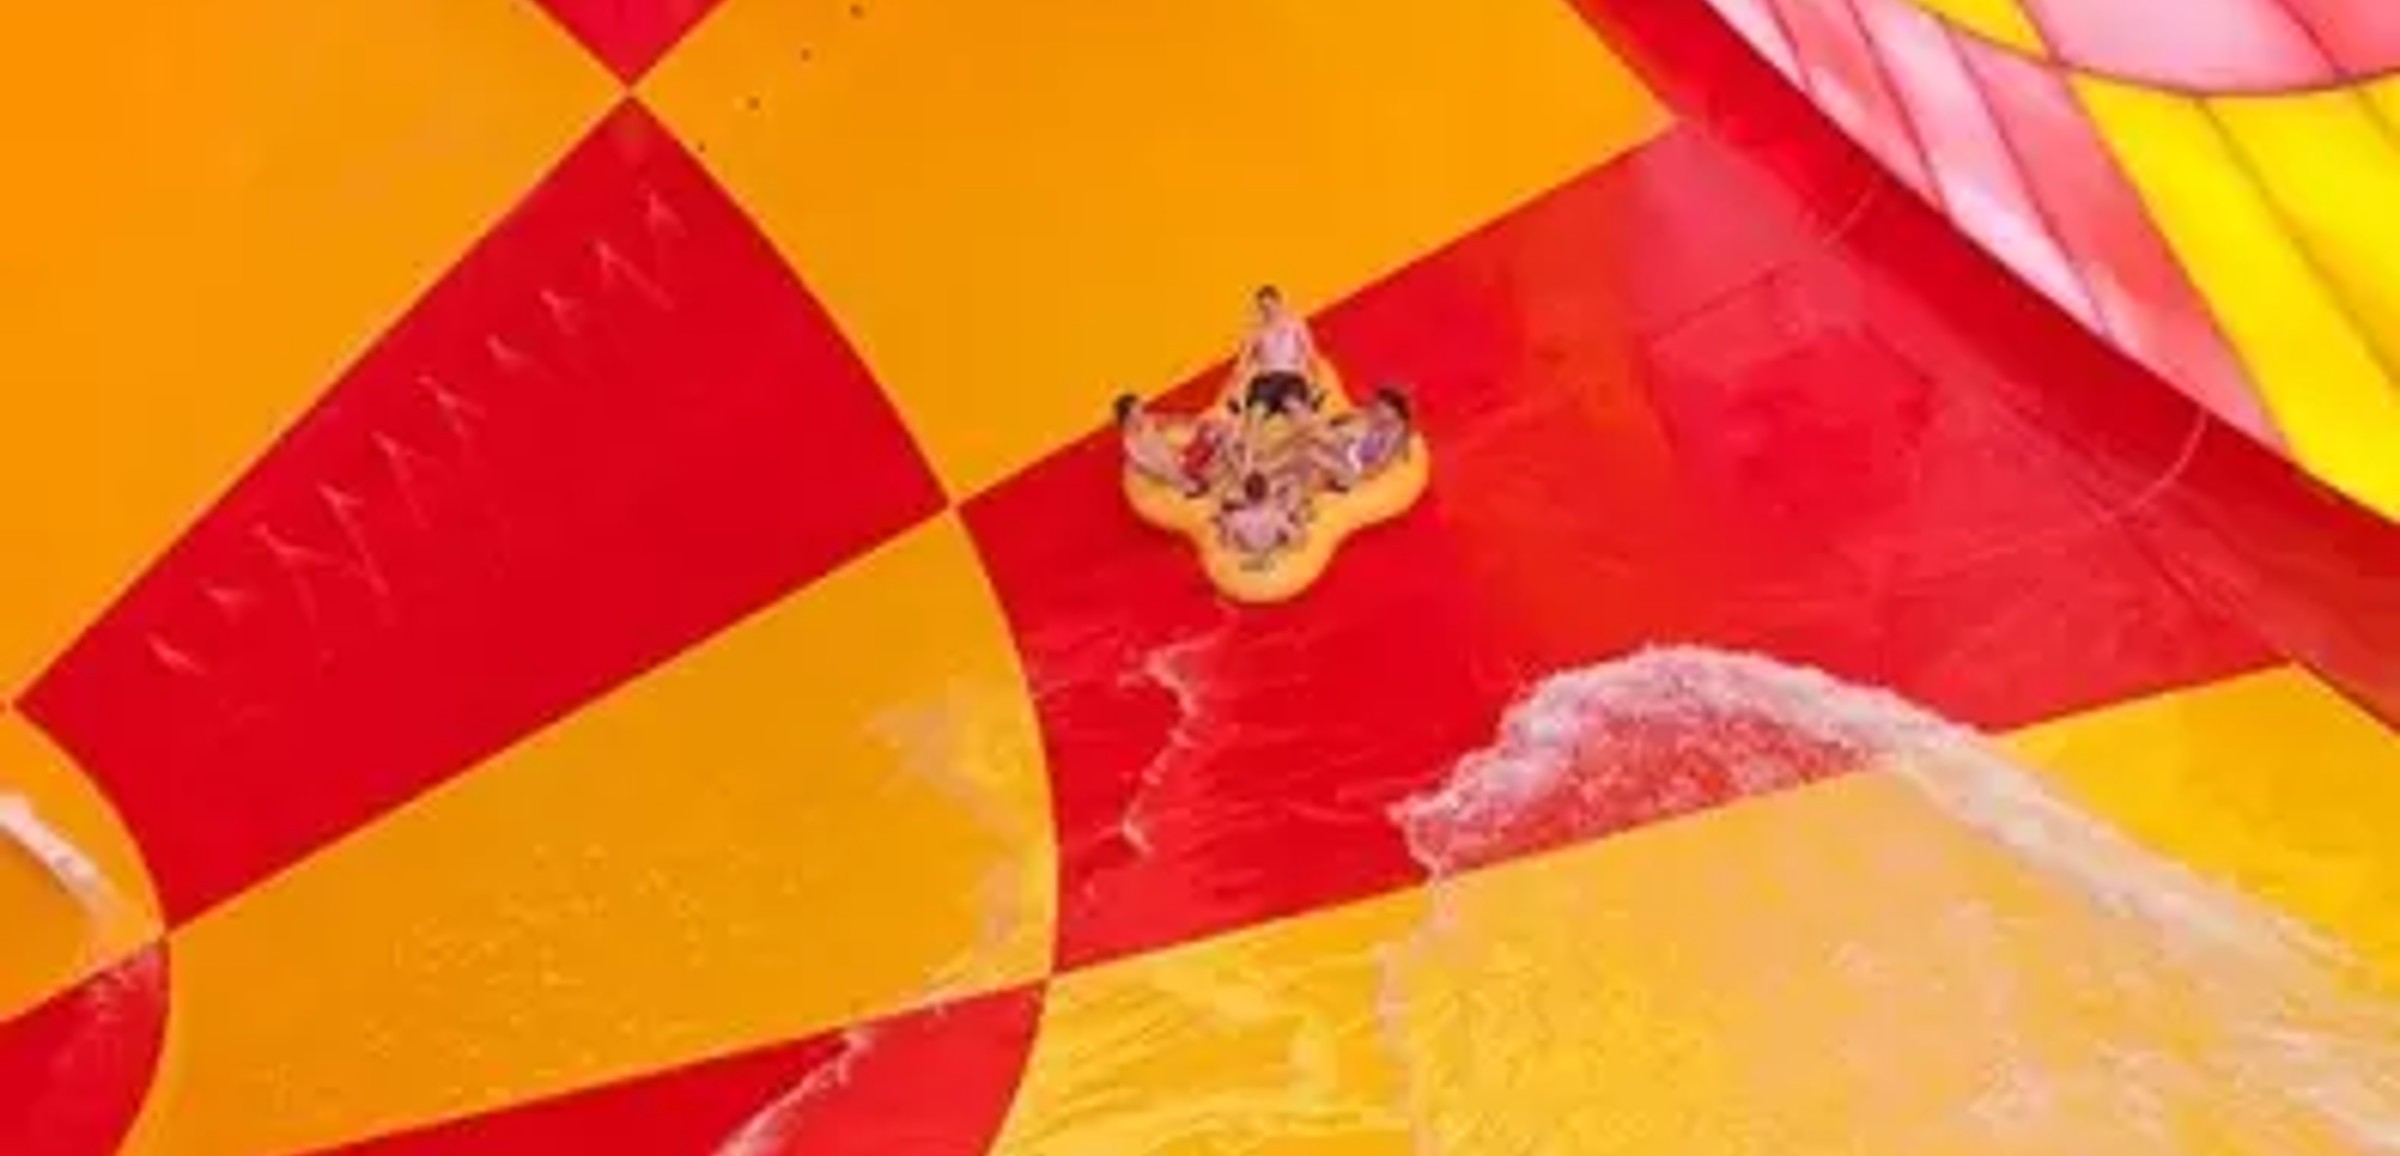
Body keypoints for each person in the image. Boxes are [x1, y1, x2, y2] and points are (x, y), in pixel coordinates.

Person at [1306, 385, 1414, 491]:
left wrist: (1356, 474)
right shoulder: (1375, 418)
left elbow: (1379, 465)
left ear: (1395, 412)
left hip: (1354, 469)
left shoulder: (1396, 430)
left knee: (1311, 451)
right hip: (1349, 455)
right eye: (1376, 407)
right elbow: (1348, 419)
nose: (1377, 412)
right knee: (1313, 451)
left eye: (1382, 409)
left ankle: (1332, 481)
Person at [1236, 285, 1323, 416]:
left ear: (1279, 303)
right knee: (1254, 417)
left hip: (1290, 378)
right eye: (1263, 308)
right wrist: (1235, 391)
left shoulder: (1295, 324)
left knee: (1297, 411)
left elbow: (1311, 355)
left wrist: (1318, 385)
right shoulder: (1255, 331)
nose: (1268, 311)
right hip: (1265, 380)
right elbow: (1241, 364)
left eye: (1270, 306)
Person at [1215, 470, 1305, 565]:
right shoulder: (1276, 515)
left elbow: (1228, 546)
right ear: (1266, 493)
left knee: (1225, 512)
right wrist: (1300, 522)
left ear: (1245, 495)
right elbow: (1298, 539)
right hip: (1272, 550)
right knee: (1291, 509)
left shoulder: (1236, 518)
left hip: (1248, 551)